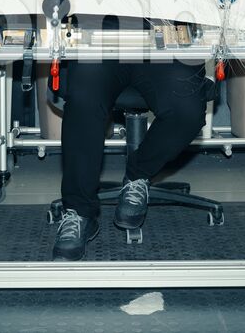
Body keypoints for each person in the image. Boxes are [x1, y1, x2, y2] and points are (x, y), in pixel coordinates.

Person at [52, 58, 211, 261]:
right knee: (84, 99)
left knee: (187, 112)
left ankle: (139, 174)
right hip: (101, 41)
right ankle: (79, 211)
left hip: (163, 45)